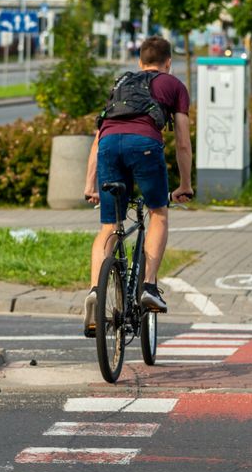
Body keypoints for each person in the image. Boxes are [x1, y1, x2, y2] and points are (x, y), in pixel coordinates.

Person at [83, 36, 194, 336]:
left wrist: (90, 185)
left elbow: (99, 138)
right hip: (144, 145)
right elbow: (182, 142)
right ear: (168, 62)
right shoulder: (173, 85)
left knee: (108, 227)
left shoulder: (120, 84)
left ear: (139, 62)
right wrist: (185, 183)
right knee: (158, 212)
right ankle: (149, 286)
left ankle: (95, 290)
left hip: (108, 147)